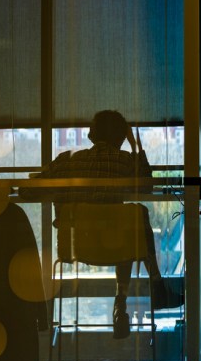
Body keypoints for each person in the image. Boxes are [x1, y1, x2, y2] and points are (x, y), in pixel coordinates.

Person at [19, 109, 181, 340]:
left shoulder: (67, 161)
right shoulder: (125, 161)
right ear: (120, 137)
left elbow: (26, 192)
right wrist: (135, 146)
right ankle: (150, 286)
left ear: (94, 133)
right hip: (117, 246)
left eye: (92, 125)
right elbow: (146, 186)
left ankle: (125, 301)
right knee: (131, 219)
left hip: (75, 247)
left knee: (123, 222)